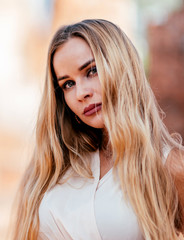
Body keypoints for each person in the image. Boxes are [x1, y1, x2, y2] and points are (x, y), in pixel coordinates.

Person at [12, 19, 184, 240]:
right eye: (68, 84)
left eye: (91, 71)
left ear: (122, 67)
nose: (80, 93)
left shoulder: (168, 165)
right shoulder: (53, 165)